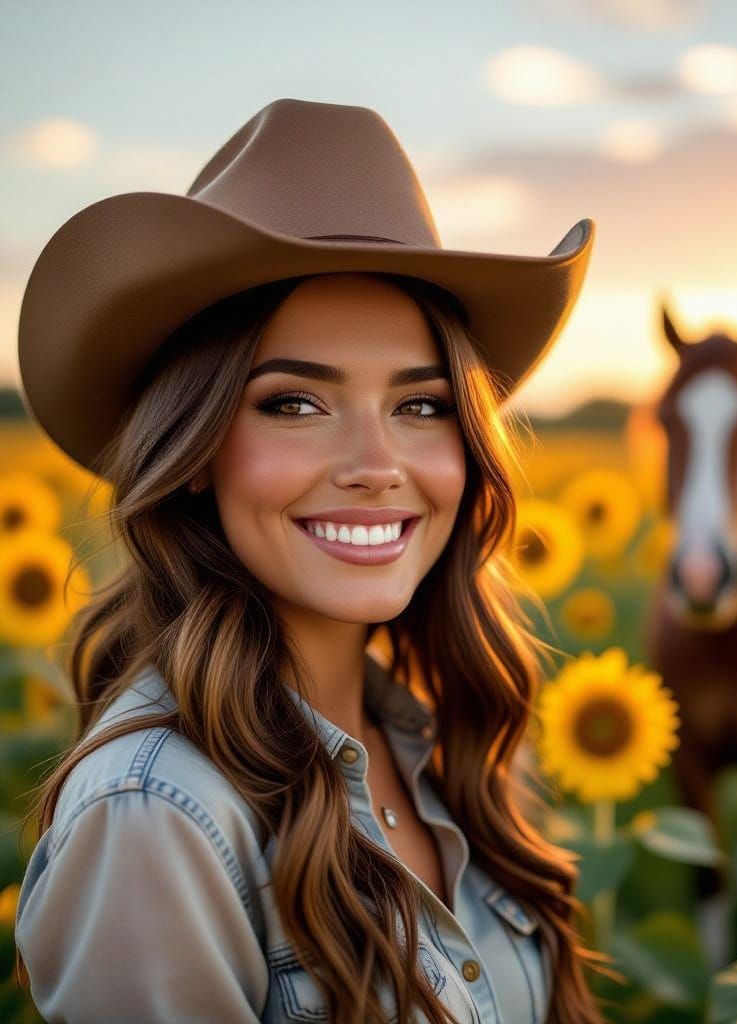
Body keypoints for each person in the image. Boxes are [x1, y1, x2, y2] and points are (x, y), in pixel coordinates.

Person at [13, 98, 611, 1023]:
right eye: (295, 404)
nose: (377, 468)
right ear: (198, 450)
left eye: (421, 406)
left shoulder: (432, 742)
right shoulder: (156, 819)